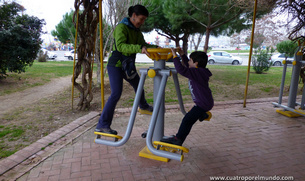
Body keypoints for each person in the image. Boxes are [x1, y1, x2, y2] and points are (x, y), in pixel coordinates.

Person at [95, 4, 159, 135]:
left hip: (128, 65)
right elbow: (121, 46)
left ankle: (144, 106)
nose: (142, 22)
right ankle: (102, 125)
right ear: (134, 16)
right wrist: (139, 48)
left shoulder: (137, 31)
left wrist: (156, 48)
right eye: (141, 18)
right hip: (116, 65)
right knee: (116, 94)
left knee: (138, 85)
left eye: (144, 20)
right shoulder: (121, 27)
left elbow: (143, 45)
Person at [160, 48, 214, 146]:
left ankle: (178, 139)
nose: (188, 62)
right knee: (193, 115)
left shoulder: (197, 73)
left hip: (202, 104)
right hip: (205, 102)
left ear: (196, 63)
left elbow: (181, 69)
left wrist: (175, 56)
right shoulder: (198, 71)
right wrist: (182, 55)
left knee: (187, 120)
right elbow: (188, 66)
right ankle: (202, 115)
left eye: (190, 60)